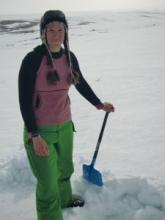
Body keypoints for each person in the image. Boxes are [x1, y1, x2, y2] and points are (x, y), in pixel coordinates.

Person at [18, 10, 115, 220]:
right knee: (47, 182)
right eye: (50, 29)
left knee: (64, 169)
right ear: (43, 33)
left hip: (64, 126)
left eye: (60, 29)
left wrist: (99, 104)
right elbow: (24, 100)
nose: (56, 34)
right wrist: (34, 136)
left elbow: (80, 84)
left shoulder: (69, 57)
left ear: (66, 32)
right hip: (40, 131)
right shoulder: (32, 60)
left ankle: (65, 201)